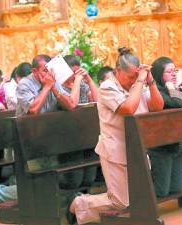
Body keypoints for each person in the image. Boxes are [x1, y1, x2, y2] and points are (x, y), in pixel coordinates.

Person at [67, 47, 164, 224]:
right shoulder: (107, 87)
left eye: (136, 77)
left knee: (138, 194)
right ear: (118, 71)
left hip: (137, 147)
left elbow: (157, 106)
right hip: (115, 149)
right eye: (130, 77)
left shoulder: (139, 83)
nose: (133, 81)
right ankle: (77, 203)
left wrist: (150, 82)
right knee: (120, 202)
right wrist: (140, 80)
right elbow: (128, 109)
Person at [0, 54, 76, 214]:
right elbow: (33, 110)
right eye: (44, 70)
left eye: (50, 69)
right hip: (29, 139)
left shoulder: (52, 80)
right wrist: (47, 87)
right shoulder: (24, 84)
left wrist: (54, 87)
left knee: (51, 180)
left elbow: (70, 105)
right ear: (35, 71)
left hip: (50, 137)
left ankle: (52, 209)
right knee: (37, 182)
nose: (49, 73)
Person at [148, 56, 182, 197]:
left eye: (175, 71)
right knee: (161, 191)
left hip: (178, 144)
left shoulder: (174, 90)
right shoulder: (156, 91)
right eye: (169, 72)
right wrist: (171, 87)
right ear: (159, 74)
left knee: (176, 189)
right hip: (162, 146)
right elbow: (177, 103)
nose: (174, 74)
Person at [57, 55, 99, 189]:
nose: (75, 75)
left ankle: (83, 201)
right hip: (69, 136)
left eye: (77, 71)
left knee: (89, 177)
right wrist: (77, 81)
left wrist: (89, 80)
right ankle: (72, 202)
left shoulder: (81, 83)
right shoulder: (58, 87)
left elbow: (98, 100)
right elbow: (72, 103)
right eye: (72, 72)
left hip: (87, 133)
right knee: (74, 179)